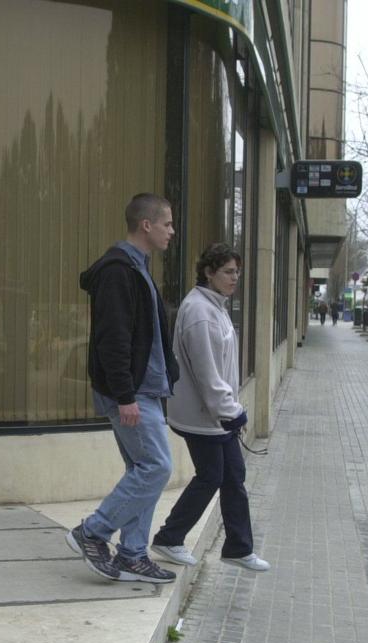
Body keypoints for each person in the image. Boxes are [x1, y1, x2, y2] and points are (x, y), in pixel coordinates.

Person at [66, 194, 179, 585]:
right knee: (157, 466)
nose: (172, 231)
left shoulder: (137, 268)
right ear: (146, 225)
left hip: (145, 390)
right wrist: (125, 395)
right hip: (133, 393)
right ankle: (93, 531)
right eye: (167, 224)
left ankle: (133, 554)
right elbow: (112, 339)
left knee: (142, 469)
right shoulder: (119, 270)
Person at [148, 243, 268, 572]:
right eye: (228, 272)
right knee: (212, 476)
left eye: (237, 273)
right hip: (202, 416)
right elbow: (206, 373)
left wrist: (229, 408)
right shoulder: (199, 312)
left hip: (216, 414)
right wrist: (232, 411)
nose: (235, 278)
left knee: (233, 476)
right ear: (208, 272)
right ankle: (169, 538)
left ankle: (238, 548)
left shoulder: (215, 306)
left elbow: (222, 368)